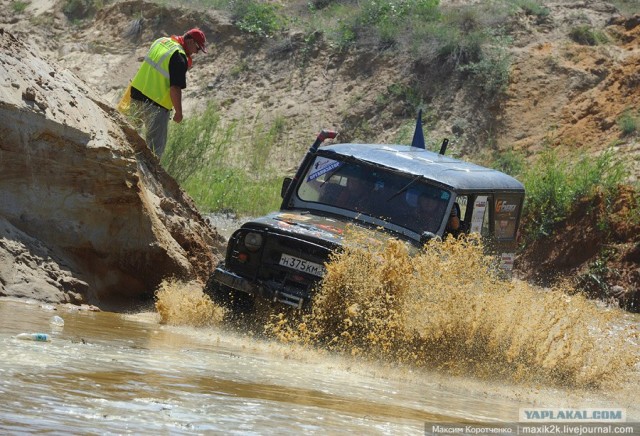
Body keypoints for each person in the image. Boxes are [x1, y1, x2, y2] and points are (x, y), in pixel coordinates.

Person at [129, 28, 207, 158]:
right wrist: (179, 112)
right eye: (198, 48)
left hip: (136, 94)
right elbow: (175, 88)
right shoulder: (179, 56)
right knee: (155, 149)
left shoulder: (161, 41)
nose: (197, 52)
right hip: (156, 104)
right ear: (190, 41)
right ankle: (149, 176)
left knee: (130, 136)